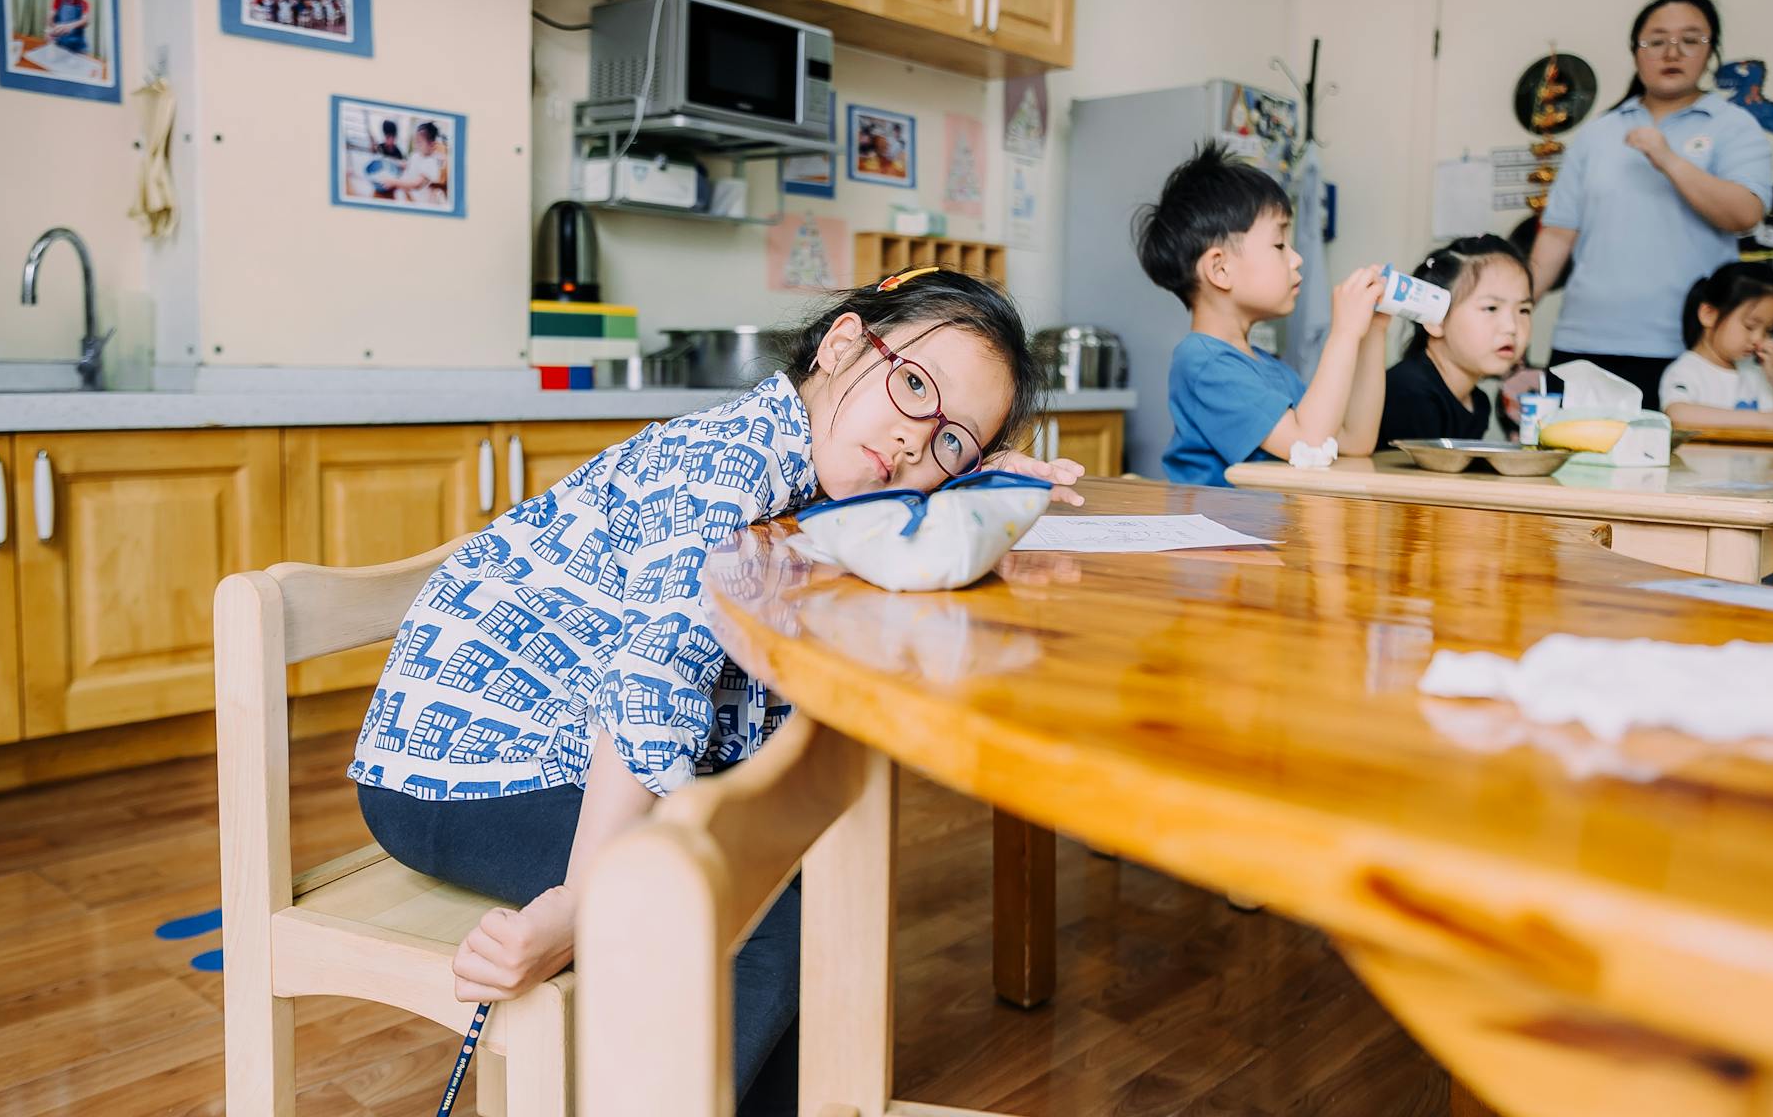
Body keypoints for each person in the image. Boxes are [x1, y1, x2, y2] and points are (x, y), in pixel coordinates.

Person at [346, 268, 1080, 1115]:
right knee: (752, 922)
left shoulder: (827, 478)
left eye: (953, 441)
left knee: (787, 906)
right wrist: (581, 902)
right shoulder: (729, 463)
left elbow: (917, 521)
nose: (918, 441)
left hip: (562, 750)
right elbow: (652, 681)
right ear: (842, 344)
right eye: (914, 386)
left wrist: (988, 485)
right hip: (461, 767)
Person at [1528, 0, 1773, 408]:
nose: (1672, 52)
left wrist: (1668, 160)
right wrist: (1511, 312)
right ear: (1635, 53)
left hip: (1686, 349)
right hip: (1584, 342)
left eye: (1690, 40)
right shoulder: (1597, 134)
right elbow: (1555, 237)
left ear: (1710, 51)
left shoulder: (1734, 126)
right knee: (1568, 467)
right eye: (1656, 41)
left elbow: (1745, 214)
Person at [1135, 140, 1390, 486]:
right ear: (1220, 269)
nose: (1296, 258)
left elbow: (1355, 441)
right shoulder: (1204, 363)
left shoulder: (1268, 369)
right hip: (1216, 538)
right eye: (1280, 244)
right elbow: (1310, 446)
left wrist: (1373, 332)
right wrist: (1343, 333)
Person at [1378, 236, 1534, 447]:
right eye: (1491, 308)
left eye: (1523, 310)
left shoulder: (1477, 402)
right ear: (1436, 319)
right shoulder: (1409, 394)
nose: (1511, 327)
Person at [1659, 260, 1773, 431]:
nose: (1758, 338)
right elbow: (1677, 414)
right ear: (1708, 314)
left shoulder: (1758, 374)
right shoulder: (1687, 370)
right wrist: (1769, 420)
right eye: (1749, 326)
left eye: (1768, 330)